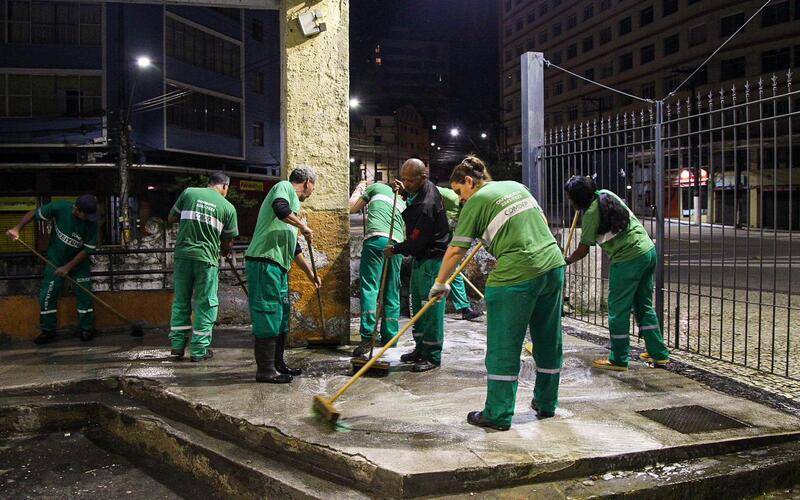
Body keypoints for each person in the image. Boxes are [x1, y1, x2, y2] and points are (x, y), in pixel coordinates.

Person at [430, 156, 565, 431]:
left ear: (469, 181)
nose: (461, 199)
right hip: (553, 267)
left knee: (504, 345)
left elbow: (456, 249)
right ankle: (547, 402)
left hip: (517, 275)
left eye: (459, 192)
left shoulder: (477, 201)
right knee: (548, 339)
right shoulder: (516, 186)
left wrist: (440, 283)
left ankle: (498, 413)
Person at [563, 176, 669, 371]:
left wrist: (566, 260)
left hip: (628, 259)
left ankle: (619, 358)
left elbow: (583, 250)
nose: (570, 202)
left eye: (571, 198)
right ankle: (658, 353)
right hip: (647, 251)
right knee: (643, 305)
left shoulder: (590, 216)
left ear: (578, 199)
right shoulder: (607, 195)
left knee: (617, 310)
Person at [245, 166, 322, 383]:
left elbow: (294, 248)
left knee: (280, 317)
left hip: (279, 266)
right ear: (307, 182)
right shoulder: (284, 187)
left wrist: (311, 275)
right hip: (264, 261)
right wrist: (302, 226)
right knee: (267, 313)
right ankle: (266, 370)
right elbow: (279, 208)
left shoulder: (293, 212)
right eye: (313, 187)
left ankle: (279, 365)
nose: (312, 191)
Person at [384, 159, 451, 372]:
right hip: (421, 259)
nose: (406, 182)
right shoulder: (423, 189)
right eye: (404, 179)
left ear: (423, 177)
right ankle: (420, 348)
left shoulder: (427, 205)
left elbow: (415, 242)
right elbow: (414, 198)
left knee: (429, 309)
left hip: (432, 260)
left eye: (410, 180)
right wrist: (405, 192)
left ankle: (432, 355)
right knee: (417, 306)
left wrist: (395, 249)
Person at [6, 195, 99, 344]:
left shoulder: (92, 223)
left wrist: (68, 267)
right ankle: (48, 331)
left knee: (84, 294)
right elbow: (34, 214)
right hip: (55, 261)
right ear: (77, 210)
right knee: (47, 295)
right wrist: (17, 228)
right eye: (86, 215)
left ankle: (87, 329)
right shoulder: (60, 207)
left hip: (79, 264)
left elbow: (87, 250)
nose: (89, 218)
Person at [168, 172, 239, 362]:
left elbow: (171, 217)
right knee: (206, 303)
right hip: (206, 260)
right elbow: (228, 240)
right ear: (224, 186)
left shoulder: (189, 193)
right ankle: (199, 350)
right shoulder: (228, 207)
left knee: (181, 300)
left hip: (183, 256)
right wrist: (224, 250)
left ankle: (177, 346)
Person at [349, 180, 406, 357]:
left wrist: (360, 187)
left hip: (375, 240)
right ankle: (391, 337)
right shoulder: (401, 201)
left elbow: (351, 208)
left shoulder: (375, 187)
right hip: (397, 244)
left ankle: (368, 336)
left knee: (370, 289)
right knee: (392, 289)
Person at [436, 186, 481, 321]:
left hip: (444, 241)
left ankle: (464, 308)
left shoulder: (471, 212)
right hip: (426, 236)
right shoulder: (450, 197)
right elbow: (427, 188)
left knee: (454, 272)